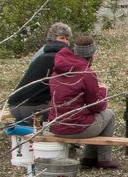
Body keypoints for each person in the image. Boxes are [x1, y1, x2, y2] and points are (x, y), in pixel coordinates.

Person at [46, 33, 117, 168]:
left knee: (91, 117)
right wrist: (103, 90)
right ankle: (104, 159)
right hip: (75, 128)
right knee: (109, 115)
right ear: (91, 54)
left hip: (55, 125)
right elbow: (96, 106)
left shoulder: (56, 72)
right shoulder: (86, 73)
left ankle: (89, 159)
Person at [8, 22, 71, 123]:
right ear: (53, 38)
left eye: (67, 39)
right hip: (33, 106)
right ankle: (48, 130)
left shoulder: (41, 52)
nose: (65, 42)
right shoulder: (61, 56)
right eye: (62, 38)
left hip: (15, 103)